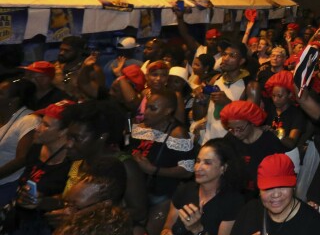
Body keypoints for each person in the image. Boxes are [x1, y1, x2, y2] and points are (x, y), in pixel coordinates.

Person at [61, 99, 149, 230]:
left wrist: (84, 217)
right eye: (68, 137)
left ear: (102, 137)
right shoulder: (79, 160)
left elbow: (139, 212)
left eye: (77, 138)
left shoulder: (124, 165)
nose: (68, 144)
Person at [130, 89, 195, 234]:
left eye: (153, 108)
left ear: (167, 111)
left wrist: (154, 170)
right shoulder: (141, 128)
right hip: (140, 192)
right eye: (147, 106)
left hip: (163, 196)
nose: (146, 112)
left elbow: (188, 171)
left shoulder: (178, 134)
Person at [12, 99, 74, 235]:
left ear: (63, 132)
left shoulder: (72, 162)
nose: (37, 128)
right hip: (21, 221)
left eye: (45, 125)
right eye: (41, 122)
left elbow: (71, 202)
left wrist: (43, 202)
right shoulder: (36, 148)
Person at [162, 138, 245, 235]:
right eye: (198, 161)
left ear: (223, 168)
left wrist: (197, 229)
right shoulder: (185, 190)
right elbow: (167, 227)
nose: (198, 167)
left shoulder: (233, 202)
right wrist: (166, 232)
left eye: (207, 163)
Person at [231, 154, 320, 235]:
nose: (276, 194)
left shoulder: (314, 225)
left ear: (293, 186)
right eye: (268, 188)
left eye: (282, 186)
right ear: (259, 190)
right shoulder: (250, 211)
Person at [219, 100, 287, 195]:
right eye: (232, 129)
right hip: (237, 193)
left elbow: (280, 173)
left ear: (252, 122)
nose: (236, 133)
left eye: (240, 129)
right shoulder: (230, 139)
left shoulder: (270, 142)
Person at [0, 79, 40, 205]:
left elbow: (23, 158)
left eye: (1, 93)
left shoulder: (29, 120)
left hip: (8, 184)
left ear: (14, 100)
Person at [264, 71, 307, 151]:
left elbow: (291, 143)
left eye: (280, 96)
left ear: (290, 95)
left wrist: (276, 134)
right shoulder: (270, 108)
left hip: (285, 154)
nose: (275, 100)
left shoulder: (297, 115)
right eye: (273, 95)